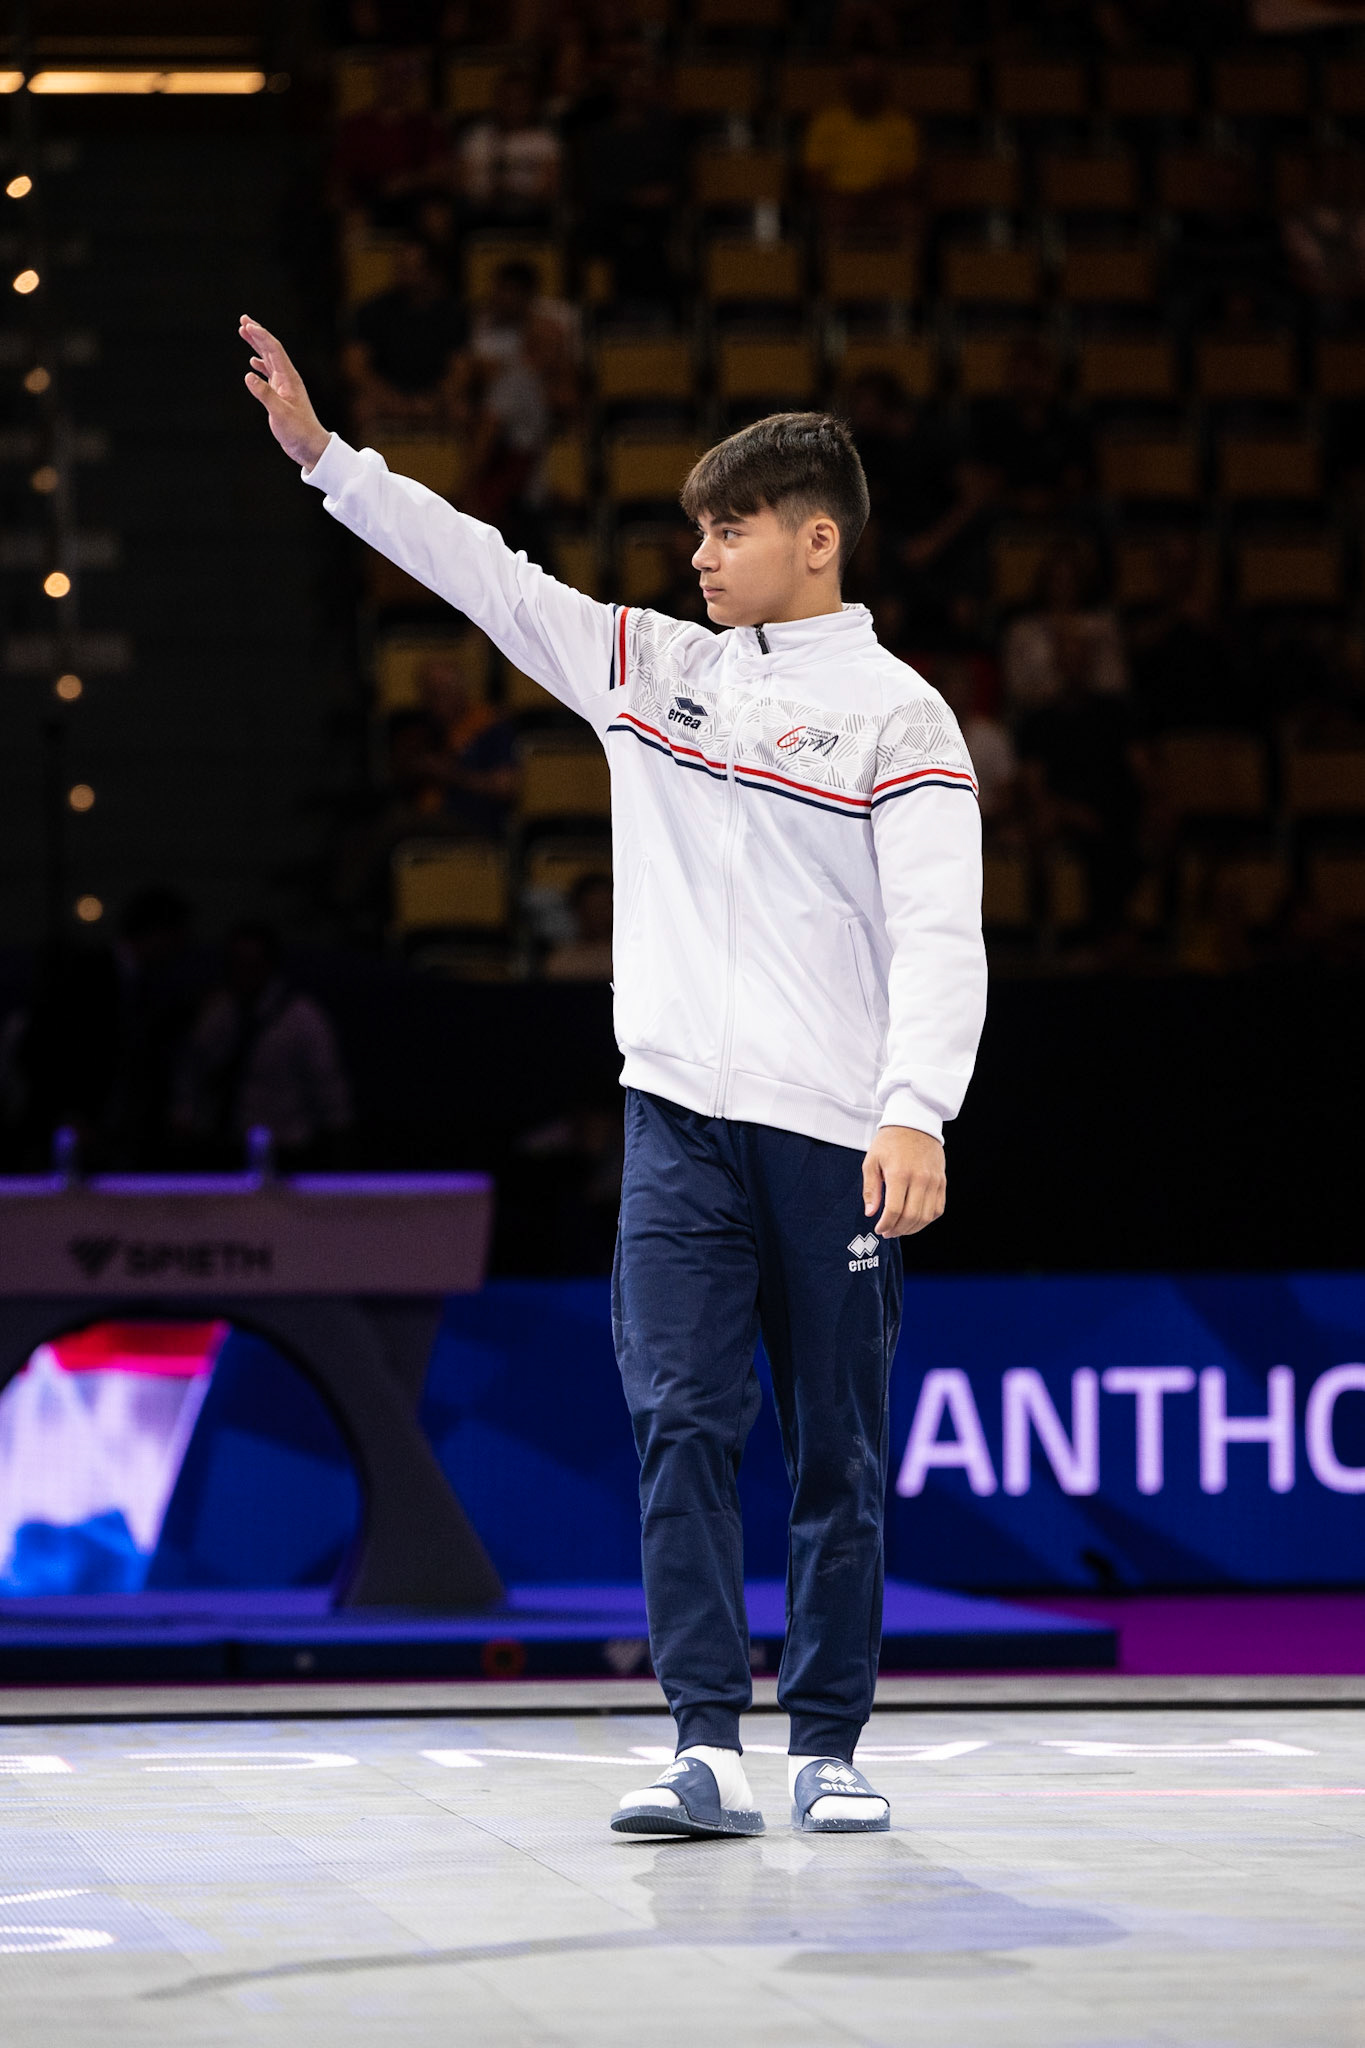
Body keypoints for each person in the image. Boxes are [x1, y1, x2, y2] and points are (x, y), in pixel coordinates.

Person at [240, 315, 986, 1839]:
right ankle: (705, 1737)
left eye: (732, 528)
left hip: (835, 1134)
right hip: (676, 1129)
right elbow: (491, 575)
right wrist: (333, 466)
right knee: (682, 1422)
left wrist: (917, 1107)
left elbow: (937, 928)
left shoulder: (898, 716)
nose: (702, 553)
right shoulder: (650, 667)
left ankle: (829, 1742)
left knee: (835, 1447)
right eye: (695, 529)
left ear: (817, 538)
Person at [173, 923, 353, 1171]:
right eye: (236, 964)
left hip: (287, 1146)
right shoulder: (217, 1012)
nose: (244, 973)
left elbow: (328, 1084)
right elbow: (193, 1070)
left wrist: (337, 1142)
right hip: (224, 1143)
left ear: (270, 965)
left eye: (252, 964)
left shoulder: (302, 1017)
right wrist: (185, 1112)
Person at [344, 240, 467, 435]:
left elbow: (461, 370)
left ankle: (455, 466)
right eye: (401, 268)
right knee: (362, 408)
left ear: (430, 271)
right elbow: (355, 367)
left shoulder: (451, 314)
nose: (406, 276)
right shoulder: (373, 311)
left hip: (434, 396)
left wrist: (432, 401)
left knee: (461, 410)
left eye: (414, 269)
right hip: (386, 395)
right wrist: (392, 400)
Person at [802, 54, 921, 242]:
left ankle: (904, 271)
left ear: (883, 86)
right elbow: (814, 176)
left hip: (885, 200)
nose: (866, 90)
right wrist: (844, 199)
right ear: (848, 86)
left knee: (909, 216)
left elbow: (907, 178)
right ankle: (834, 270)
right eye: (860, 83)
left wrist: (870, 200)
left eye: (872, 83)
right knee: (831, 215)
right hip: (839, 201)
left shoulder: (901, 123)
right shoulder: (826, 121)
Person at [1003, 541, 1126, 714]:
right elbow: (1017, 691)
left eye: (1071, 579)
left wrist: (1082, 679)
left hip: (1096, 713)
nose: (1064, 588)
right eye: (1057, 579)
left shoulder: (1102, 627)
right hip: (1041, 717)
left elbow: (1116, 683)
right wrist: (1058, 685)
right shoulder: (1023, 631)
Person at [456, 71, 562, 232]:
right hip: (483, 210)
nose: (513, 106)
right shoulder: (477, 137)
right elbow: (463, 184)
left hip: (530, 210)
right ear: (497, 100)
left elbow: (550, 189)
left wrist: (515, 191)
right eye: (507, 99)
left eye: (520, 100)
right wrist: (488, 194)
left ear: (531, 102)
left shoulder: (544, 140)